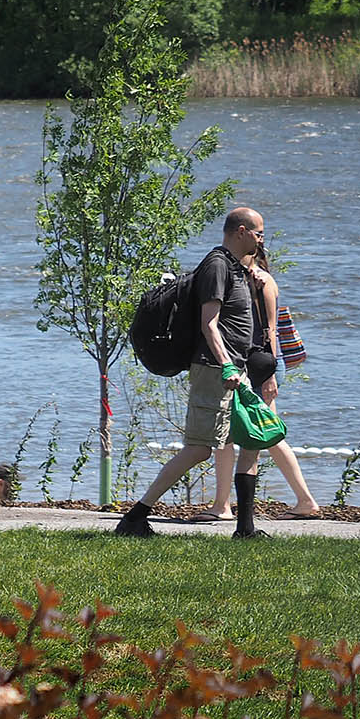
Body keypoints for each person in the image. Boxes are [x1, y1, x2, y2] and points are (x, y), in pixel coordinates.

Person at [116, 207, 270, 539]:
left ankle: (245, 528)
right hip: (216, 370)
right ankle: (134, 518)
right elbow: (209, 324)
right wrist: (228, 364)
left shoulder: (237, 268)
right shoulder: (216, 265)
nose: (261, 239)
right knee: (199, 448)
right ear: (241, 231)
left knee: (251, 439)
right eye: (258, 233)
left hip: (235, 369)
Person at [201, 247, 320, 521]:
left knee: (265, 433)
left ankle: (302, 501)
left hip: (262, 365)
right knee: (241, 434)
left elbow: (270, 331)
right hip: (250, 364)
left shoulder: (263, 281)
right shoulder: (244, 280)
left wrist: (269, 375)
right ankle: (223, 504)